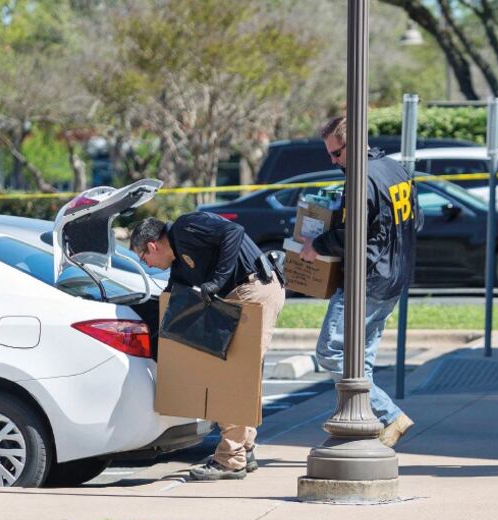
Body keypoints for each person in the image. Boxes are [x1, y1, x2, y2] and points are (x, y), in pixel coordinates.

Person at [130, 212, 285, 480]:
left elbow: (233, 231)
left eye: (144, 257)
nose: (147, 264)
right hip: (247, 292)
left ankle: (230, 459)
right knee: (239, 376)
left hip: (253, 290)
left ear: (153, 245)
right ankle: (244, 450)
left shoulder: (184, 228)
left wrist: (216, 281)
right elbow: (172, 296)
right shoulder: (179, 260)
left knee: (228, 376)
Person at [299, 116, 421, 447]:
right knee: (362, 356)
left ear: (354, 144)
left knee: (331, 351)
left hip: (365, 280)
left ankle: (387, 414)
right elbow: (416, 221)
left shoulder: (361, 178)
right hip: (394, 277)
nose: (334, 161)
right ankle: (365, 426)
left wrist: (318, 245)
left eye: (337, 154)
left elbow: (354, 234)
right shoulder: (395, 169)